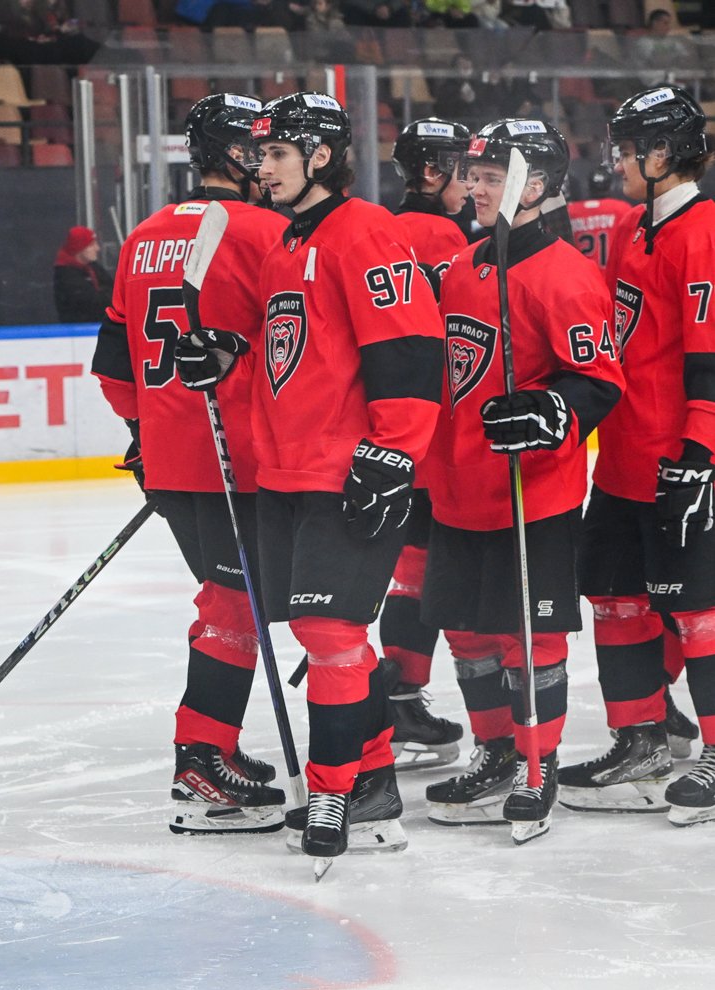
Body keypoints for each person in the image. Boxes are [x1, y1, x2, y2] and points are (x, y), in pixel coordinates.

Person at [213, 91, 445, 868]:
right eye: (259, 155)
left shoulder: (365, 230)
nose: (263, 168)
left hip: (348, 472)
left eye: (277, 154)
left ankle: (335, 791)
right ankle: (373, 782)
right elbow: (288, 349)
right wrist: (222, 356)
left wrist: (394, 451)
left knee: (330, 633)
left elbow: (410, 347)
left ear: (320, 155)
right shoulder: (287, 241)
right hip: (287, 474)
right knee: (326, 635)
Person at [420, 119, 622, 844]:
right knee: (466, 632)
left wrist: (551, 408)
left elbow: (599, 380)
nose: (474, 187)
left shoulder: (566, 274)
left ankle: (538, 766)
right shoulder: (459, 267)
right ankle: (496, 753)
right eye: (471, 175)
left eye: (491, 176)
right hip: (456, 485)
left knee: (527, 637)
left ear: (535, 185)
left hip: (530, 492)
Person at [94, 93, 289, 836]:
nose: (268, 162)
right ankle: (202, 759)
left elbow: (114, 366)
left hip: (174, 462)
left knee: (226, 602)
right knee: (235, 608)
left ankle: (215, 749)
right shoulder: (268, 231)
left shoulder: (145, 235)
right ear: (236, 154)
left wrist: (146, 433)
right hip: (243, 460)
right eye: (260, 149)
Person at [568, 86, 715, 826]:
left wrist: (700, 451)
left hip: (680, 460)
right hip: (623, 460)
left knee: (697, 609)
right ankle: (642, 741)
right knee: (616, 597)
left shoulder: (705, 232)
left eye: (627, 150)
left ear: (663, 153)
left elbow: (710, 359)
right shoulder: (632, 225)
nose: (618, 162)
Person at [375, 118, 472, 772]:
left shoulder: (379, 228)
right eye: (465, 171)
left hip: (393, 434)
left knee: (410, 569)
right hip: (439, 435)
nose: (474, 185)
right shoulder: (444, 236)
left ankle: (398, 700)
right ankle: (490, 719)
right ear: (433, 172)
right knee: (447, 570)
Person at [0, 0, 99, 65]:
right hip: (15, 50)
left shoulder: (39, 8)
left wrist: (57, 32)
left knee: (78, 43)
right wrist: (1, 29)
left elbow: (43, 30)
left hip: (39, 46)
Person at [566, 165, 636, 276]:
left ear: (588, 186)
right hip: (611, 275)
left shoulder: (571, 210)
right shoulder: (621, 208)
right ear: (609, 186)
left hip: (582, 276)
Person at [53, 225, 112, 323]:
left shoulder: (93, 267)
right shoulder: (65, 274)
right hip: (79, 330)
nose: (97, 248)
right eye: (92, 245)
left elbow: (115, 289)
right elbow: (92, 303)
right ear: (80, 248)